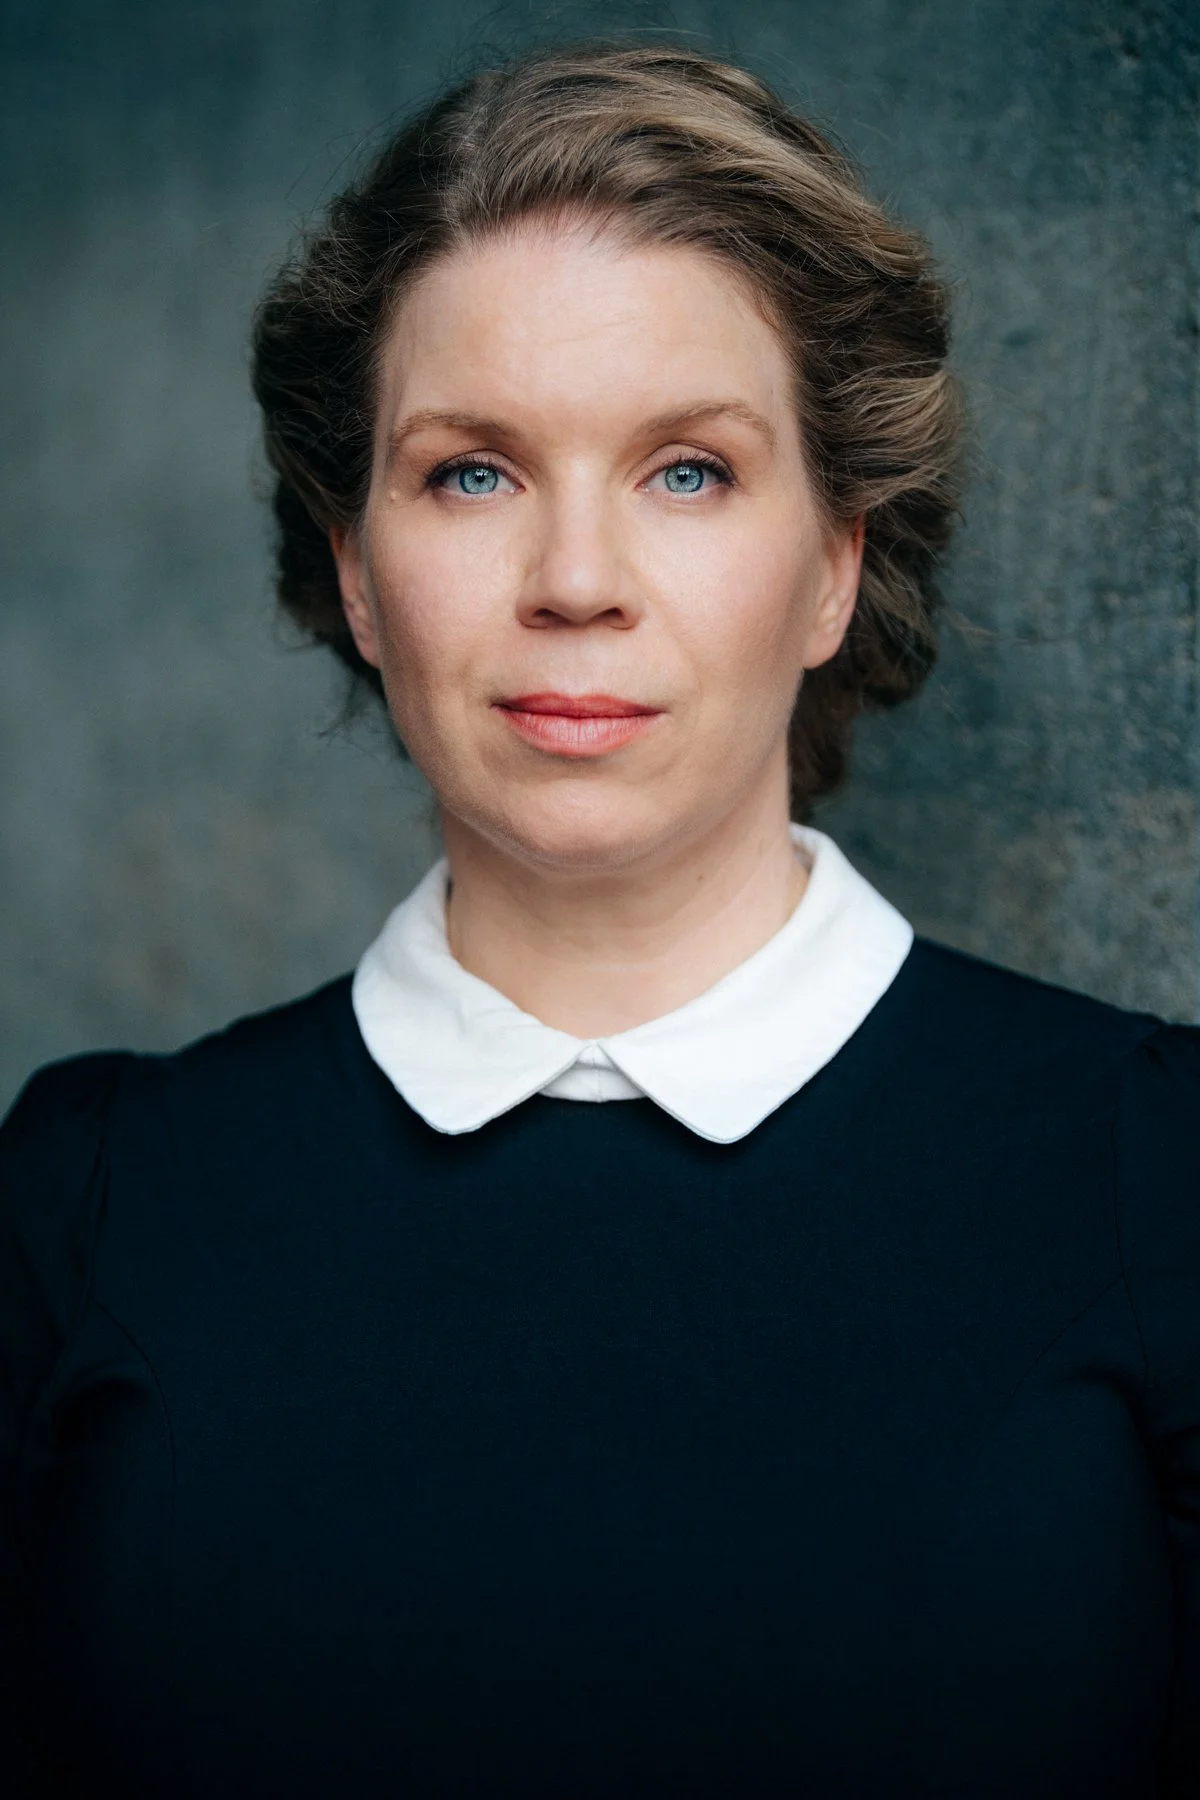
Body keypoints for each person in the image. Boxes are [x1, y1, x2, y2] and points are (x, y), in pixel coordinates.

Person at [1, 40, 1196, 1800]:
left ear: (835, 566)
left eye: (688, 471)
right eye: (472, 473)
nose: (575, 581)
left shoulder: (1160, 1173)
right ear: (357, 573)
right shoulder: (86, 1204)